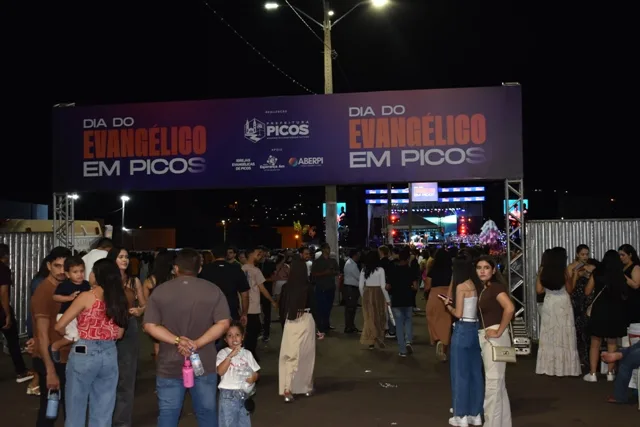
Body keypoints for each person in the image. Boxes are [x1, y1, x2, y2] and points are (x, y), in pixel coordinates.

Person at [144, 248, 231, 427]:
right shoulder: (213, 291)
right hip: (204, 362)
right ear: (200, 268)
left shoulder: (160, 291)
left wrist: (177, 340)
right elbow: (223, 323)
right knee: (206, 412)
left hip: (169, 362)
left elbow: (150, 325)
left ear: (175, 268)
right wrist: (196, 343)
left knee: (168, 413)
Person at [54, 258, 128, 427]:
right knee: (103, 409)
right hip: (109, 353)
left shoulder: (87, 297)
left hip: (84, 351)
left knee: (76, 407)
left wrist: (71, 335)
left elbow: (59, 325)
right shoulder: (120, 299)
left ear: (97, 275)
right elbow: (119, 333)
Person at [31, 246, 73, 426]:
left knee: (67, 408)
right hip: (51, 359)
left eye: (65, 266)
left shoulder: (66, 289)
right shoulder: (44, 292)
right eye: (57, 266)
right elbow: (42, 334)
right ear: (49, 266)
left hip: (66, 356)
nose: (62, 270)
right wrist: (50, 371)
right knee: (49, 411)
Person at [278, 246, 316, 402]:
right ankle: (305, 386)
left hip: (290, 322)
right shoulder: (308, 287)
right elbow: (315, 307)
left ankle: (287, 388)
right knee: (306, 355)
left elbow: (281, 308)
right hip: (306, 319)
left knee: (290, 355)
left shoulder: (286, 288)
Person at [0, 243, 34, 383]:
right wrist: (7, 314)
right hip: (1, 310)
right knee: (13, 341)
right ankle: (21, 371)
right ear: (5, 255)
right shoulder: (3, 269)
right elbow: (3, 292)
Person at [217, 322, 260, 427]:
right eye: (230, 335)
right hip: (228, 395)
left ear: (242, 337)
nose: (234, 338)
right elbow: (220, 371)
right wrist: (230, 355)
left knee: (244, 423)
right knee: (228, 423)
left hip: (244, 394)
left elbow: (256, 372)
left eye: (237, 335)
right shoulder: (223, 353)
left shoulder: (247, 354)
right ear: (225, 339)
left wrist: (253, 377)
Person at [50, 256, 91, 362]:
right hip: (65, 315)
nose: (79, 274)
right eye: (75, 272)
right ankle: (55, 346)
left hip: (80, 316)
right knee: (74, 336)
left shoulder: (86, 284)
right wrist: (69, 298)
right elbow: (55, 297)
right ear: (67, 274)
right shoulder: (65, 285)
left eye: (82, 271)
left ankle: (78, 357)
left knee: (80, 337)